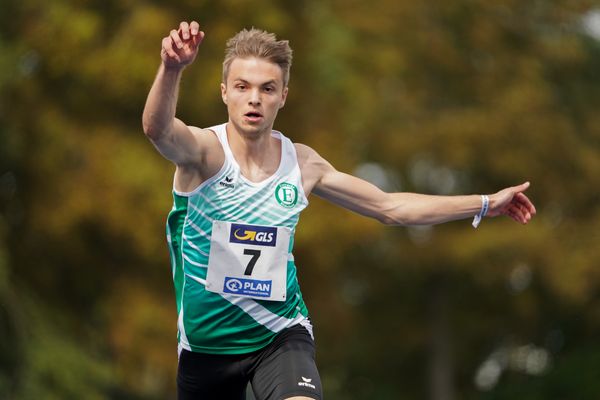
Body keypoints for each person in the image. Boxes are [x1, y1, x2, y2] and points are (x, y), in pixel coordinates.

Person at [142, 21, 536, 400]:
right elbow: (158, 130)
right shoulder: (204, 154)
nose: (255, 99)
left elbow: (389, 206)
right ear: (225, 92)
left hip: (279, 334)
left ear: (283, 96)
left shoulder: (303, 164)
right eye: (243, 87)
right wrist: (171, 68)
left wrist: (485, 203)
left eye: (268, 88)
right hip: (207, 347)